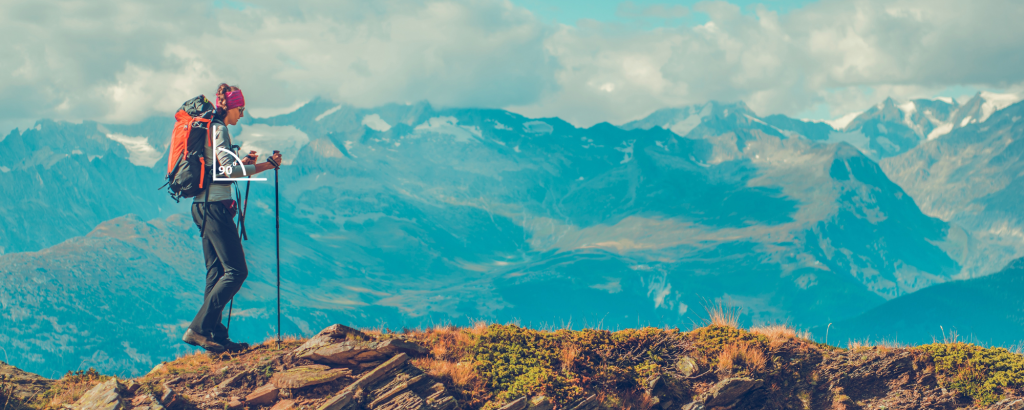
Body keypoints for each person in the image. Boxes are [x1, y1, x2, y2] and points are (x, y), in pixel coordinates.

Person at [181, 83, 283, 353]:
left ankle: (215, 335)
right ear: (232, 107)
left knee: (215, 273)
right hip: (213, 208)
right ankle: (199, 329)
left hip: (203, 207)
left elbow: (221, 165)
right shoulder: (219, 129)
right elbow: (229, 173)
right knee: (237, 271)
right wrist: (266, 165)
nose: (243, 114)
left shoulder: (211, 128)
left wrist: (242, 160)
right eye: (241, 109)